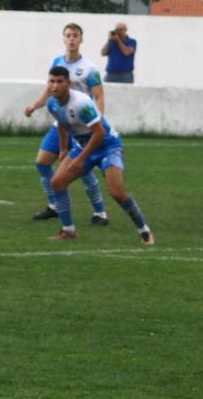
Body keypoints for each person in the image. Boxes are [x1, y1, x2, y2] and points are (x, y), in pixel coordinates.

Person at [43, 66, 152, 242]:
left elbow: (100, 132)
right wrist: (63, 149)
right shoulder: (52, 102)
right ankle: (68, 231)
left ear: (68, 83)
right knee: (57, 182)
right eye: (52, 81)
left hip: (108, 146)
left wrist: (80, 159)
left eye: (59, 82)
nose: (55, 86)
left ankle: (144, 230)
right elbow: (62, 124)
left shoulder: (81, 103)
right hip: (84, 145)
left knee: (116, 191)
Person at [24, 23, 108, 225]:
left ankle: (100, 213)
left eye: (75, 35)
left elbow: (99, 96)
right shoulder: (57, 62)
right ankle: (54, 205)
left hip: (81, 126)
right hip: (62, 123)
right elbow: (49, 89)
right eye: (68, 35)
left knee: (82, 170)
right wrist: (35, 105)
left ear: (81, 39)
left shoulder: (90, 69)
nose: (71, 39)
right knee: (42, 162)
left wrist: (98, 119)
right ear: (63, 39)